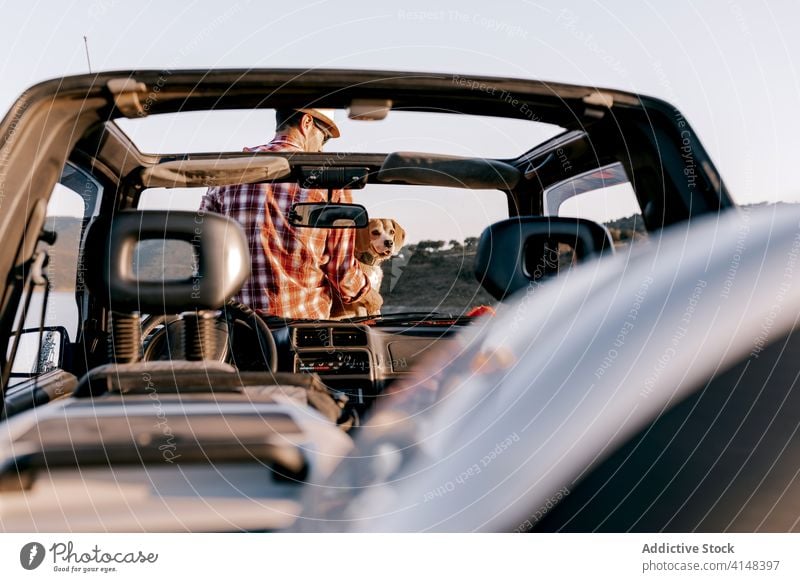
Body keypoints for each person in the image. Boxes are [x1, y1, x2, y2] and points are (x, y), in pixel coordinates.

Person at [200, 108, 379, 318]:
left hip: (238, 328)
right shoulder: (332, 182)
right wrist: (371, 296)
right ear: (306, 123)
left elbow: (204, 248)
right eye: (325, 138)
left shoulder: (228, 171)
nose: (321, 149)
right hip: (303, 329)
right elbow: (342, 271)